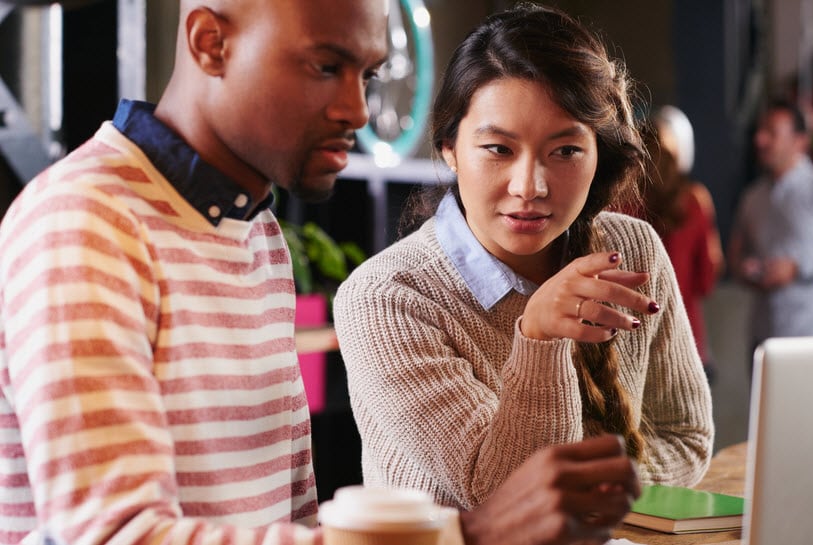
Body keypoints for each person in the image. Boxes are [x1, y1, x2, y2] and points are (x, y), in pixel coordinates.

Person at [0, 2, 642, 545]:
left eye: (366, 74)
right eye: (326, 67)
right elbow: (118, 535)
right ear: (210, 43)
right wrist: (463, 534)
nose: (357, 110)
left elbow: (293, 510)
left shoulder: (253, 229)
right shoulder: (85, 220)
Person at [333, 1, 714, 520]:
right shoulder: (386, 299)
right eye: (497, 149)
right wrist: (538, 337)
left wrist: (588, 494)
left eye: (565, 152)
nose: (529, 187)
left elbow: (686, 438)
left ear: (598, 151)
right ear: (449, 148)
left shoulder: (632, 249)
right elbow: (502, 500)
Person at [729, 98, 813, 351]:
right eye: (760, 131)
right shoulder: (752, 197)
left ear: (800, 141)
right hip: (764, 339)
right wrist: (743, 268)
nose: (760, 140)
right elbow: (738, 256)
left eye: (771, 132)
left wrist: (797, 268)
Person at [637, 106, 724, 383]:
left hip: (633, 346)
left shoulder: (617, 204)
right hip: (685, 340)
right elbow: (706, 282)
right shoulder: (695, 201)